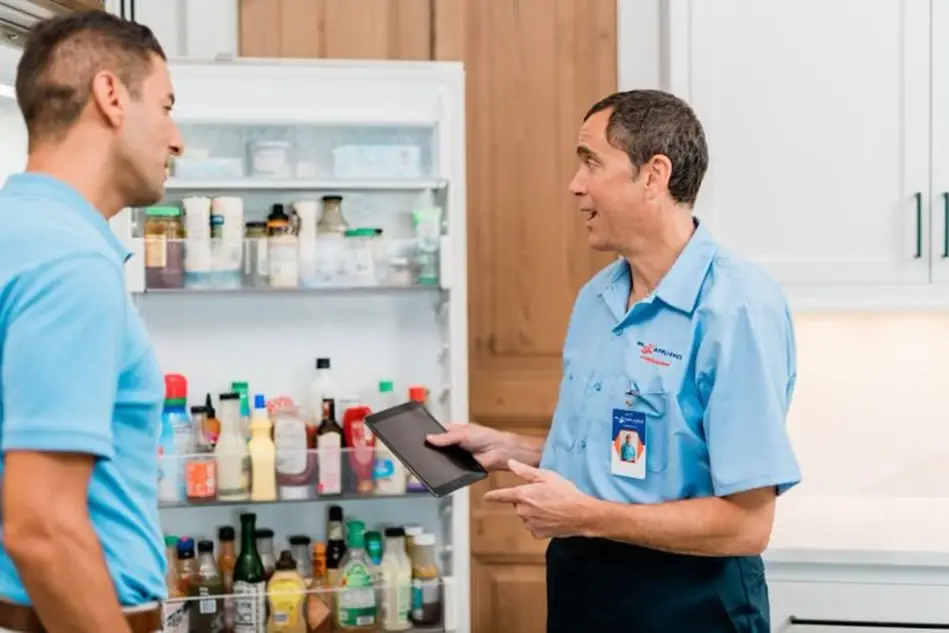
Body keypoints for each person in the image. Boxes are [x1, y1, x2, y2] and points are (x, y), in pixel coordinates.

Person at [427, 89, 801, 632]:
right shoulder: (597, 298)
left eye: (591, 162)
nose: (575, 185)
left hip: (687, 602)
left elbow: (747, 525)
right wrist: (513, 449)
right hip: (583, 584)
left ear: (654, 175)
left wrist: (588, 516)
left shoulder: (736, 308)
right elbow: (645, 454)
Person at [0, 11, 182, 633]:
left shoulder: (14, 232)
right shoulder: (71, 261)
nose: (176, 137)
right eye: (165, 106)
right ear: (110, 96)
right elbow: (42, 527)